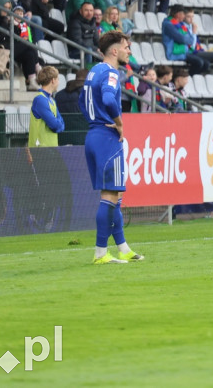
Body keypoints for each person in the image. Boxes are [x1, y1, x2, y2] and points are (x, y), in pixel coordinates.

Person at [81, 31, 143, 264]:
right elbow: (108, 99)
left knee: (115, 195)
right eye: (126, 47)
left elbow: (82, 102)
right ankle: (100, 253)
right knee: (109, 196)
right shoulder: (111, 73)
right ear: (115, 51)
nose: (129, 51)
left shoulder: (93, 71)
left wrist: (96, 121)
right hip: (107, 138)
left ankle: (123, 248)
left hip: (93, 135)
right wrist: (119, 123)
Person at [29, 65, 64, 147]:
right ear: (53, 80)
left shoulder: (51, 100)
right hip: (40, 149)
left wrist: (59, 125)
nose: (59, 82)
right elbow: (55, 125)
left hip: (51, 148)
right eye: (58, 79)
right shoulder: (40, 100)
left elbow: (61, 124)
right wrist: (59, 125)